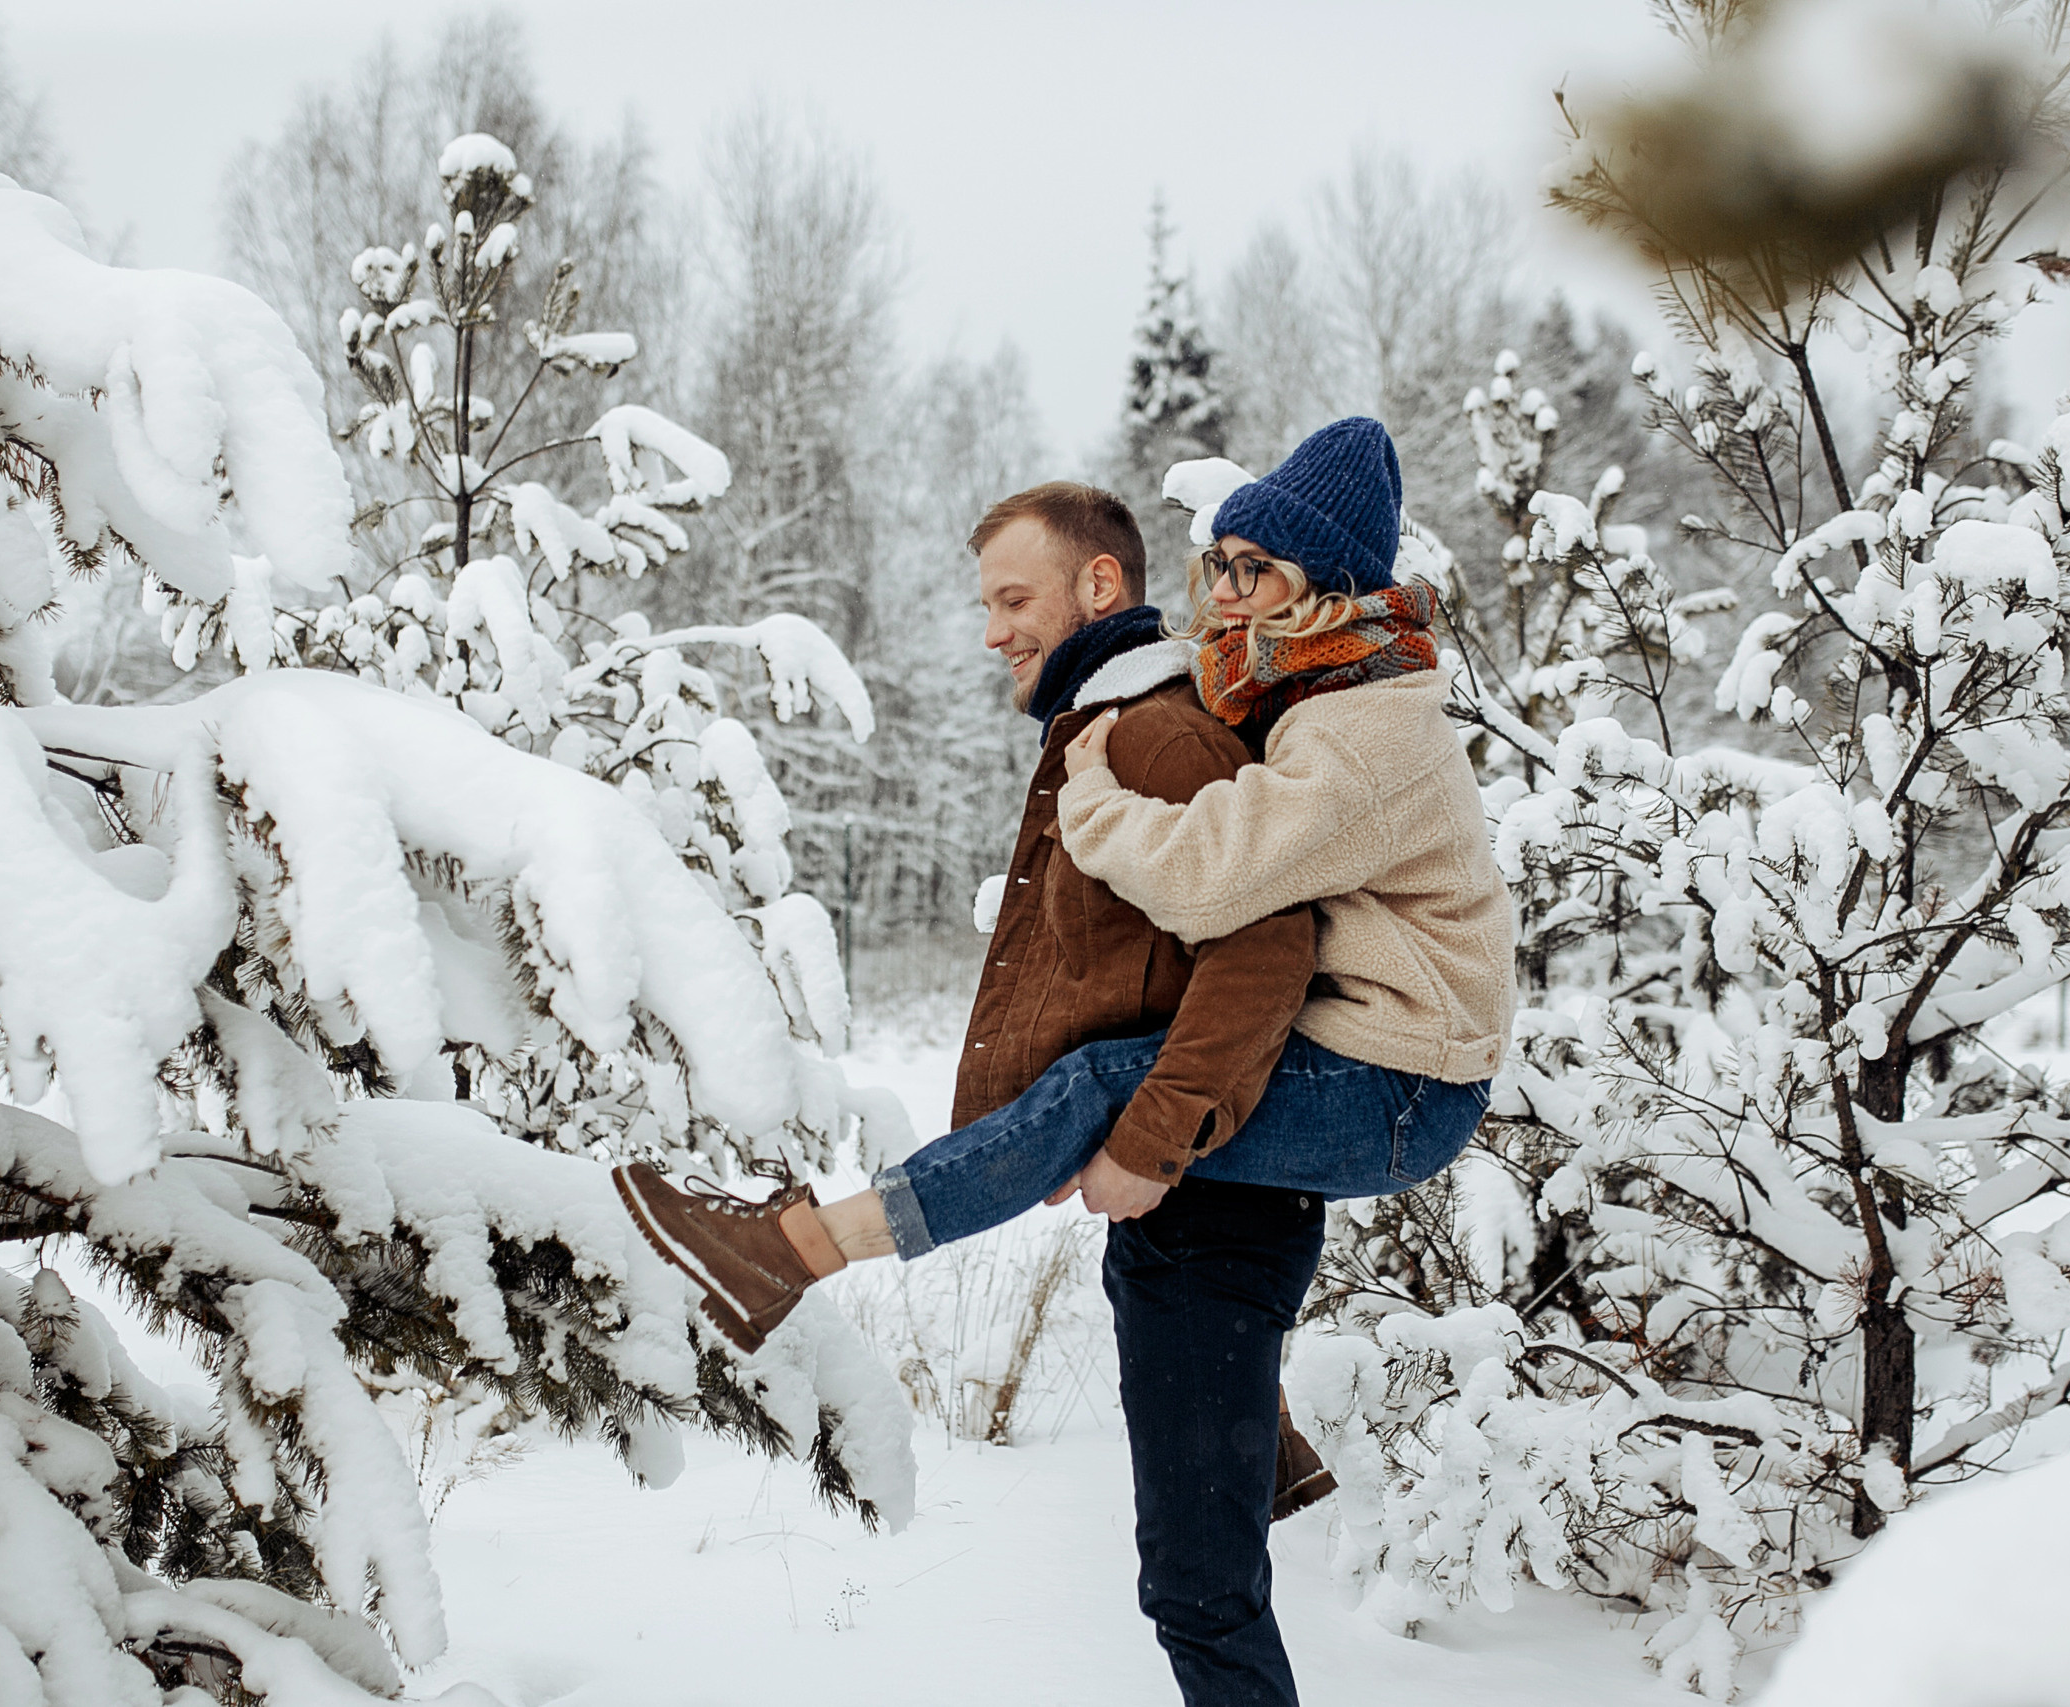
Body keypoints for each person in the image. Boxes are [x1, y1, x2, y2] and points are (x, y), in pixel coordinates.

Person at [616, 431, 1510, 1705]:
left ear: (1098, 589)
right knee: (1197, 1555)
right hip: (1299, 1117)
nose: (1229, 595)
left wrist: (1140, 1132)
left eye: (1011, 600)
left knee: (1196, 1593)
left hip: (1397, 1081)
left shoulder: (1253, 732)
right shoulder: (1267, 704)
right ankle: (1258, 1454)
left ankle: (790, 1251)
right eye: (1221, 566)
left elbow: (1249, 924)